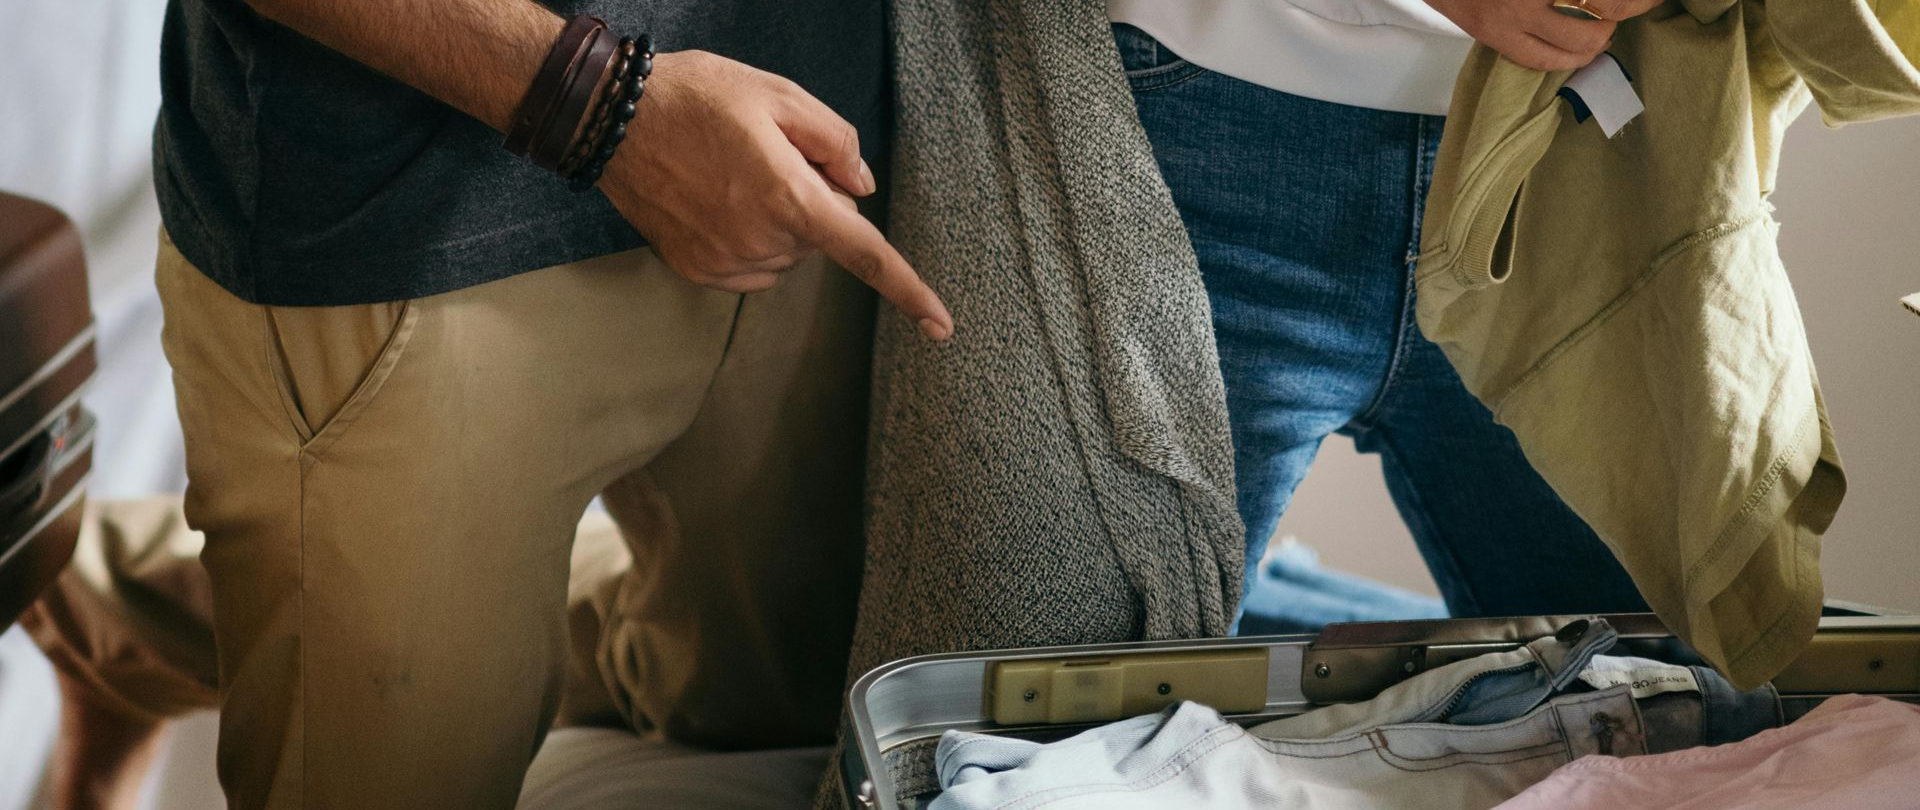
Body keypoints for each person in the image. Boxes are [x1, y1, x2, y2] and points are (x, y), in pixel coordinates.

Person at [22, 0, 951, 807]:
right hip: (410, 226)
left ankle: (138, 605)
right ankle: (126, 604)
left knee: (763, 711)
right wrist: (609, 110)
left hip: (812, 152)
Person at [1104, 0, 1666, 620]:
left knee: (1624, 649)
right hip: (1215, 100)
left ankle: (1296, 601)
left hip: (1560, 147)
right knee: (1122, 652)